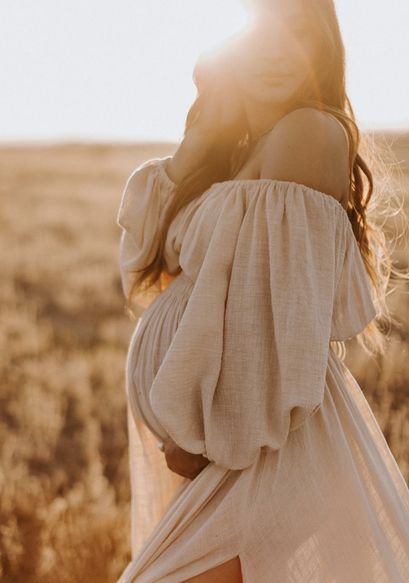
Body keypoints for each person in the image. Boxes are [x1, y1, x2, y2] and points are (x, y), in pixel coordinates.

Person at [116, 0, 409, 581]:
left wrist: (206, 440)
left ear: (321, 50)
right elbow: (146, 267)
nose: (277, 51)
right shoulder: (244, 148)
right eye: (260, 36)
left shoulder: (307, 133)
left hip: (254, 447)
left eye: (297, 34)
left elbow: (270, 319)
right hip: (235, 449)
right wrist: (201, 141)